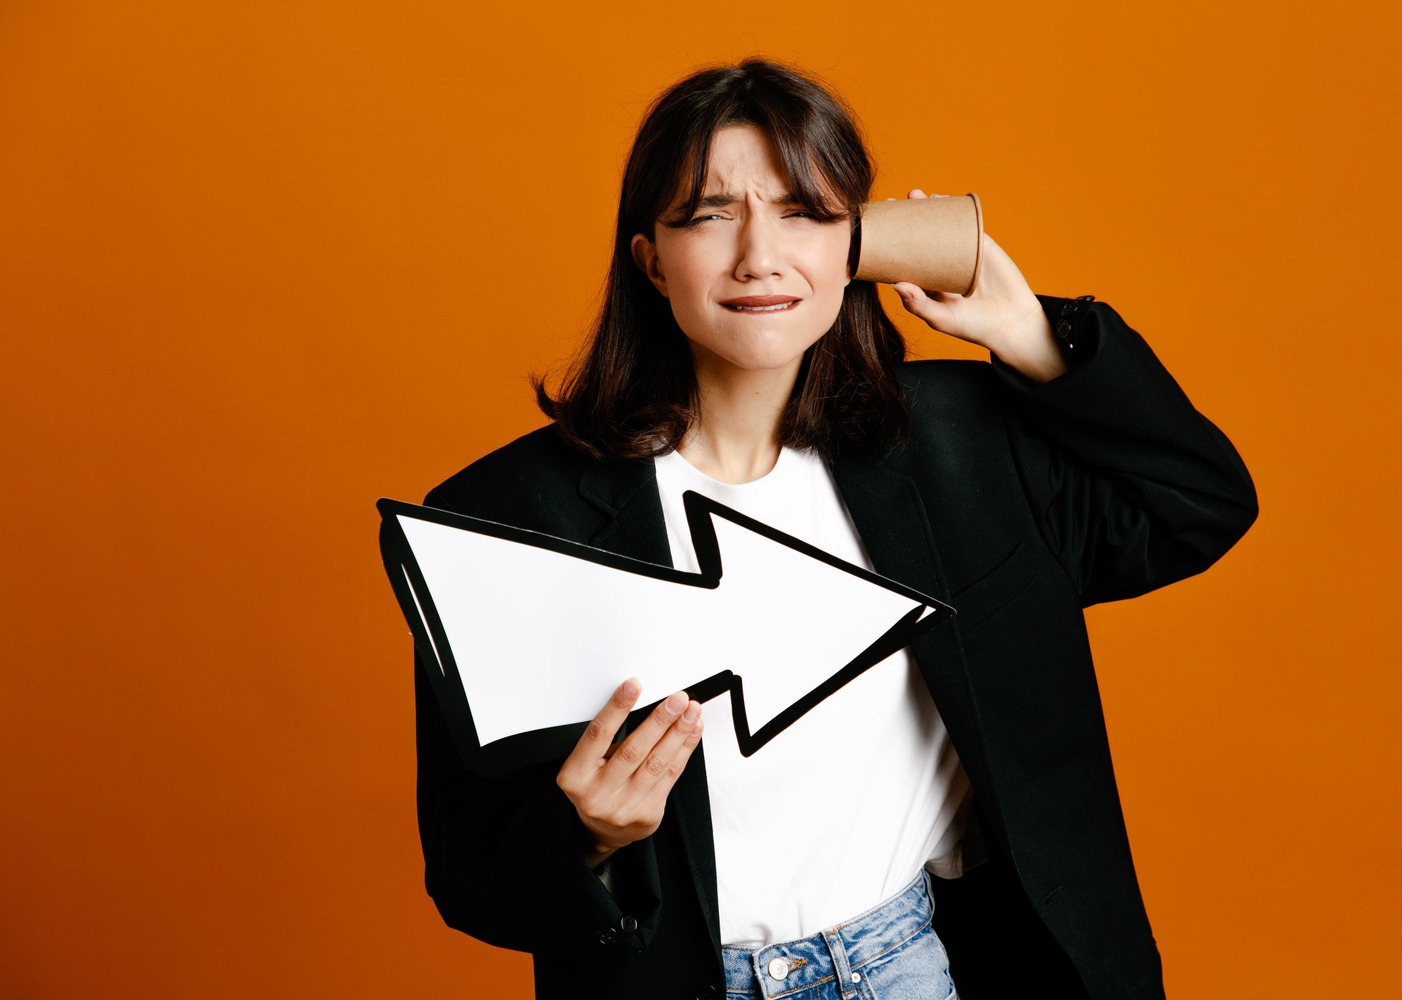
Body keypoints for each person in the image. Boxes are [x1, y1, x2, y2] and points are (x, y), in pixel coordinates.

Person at [413, 59, 1256, 1000]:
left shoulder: (958, 447)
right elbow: (465, 862)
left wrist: (1029, 332)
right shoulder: (514, 519)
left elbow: (1196, 503)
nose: (759, 257)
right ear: (652, 257)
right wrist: (589, 838)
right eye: (710, 213)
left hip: (920, 969)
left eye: (804, 212)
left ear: (855, 246)